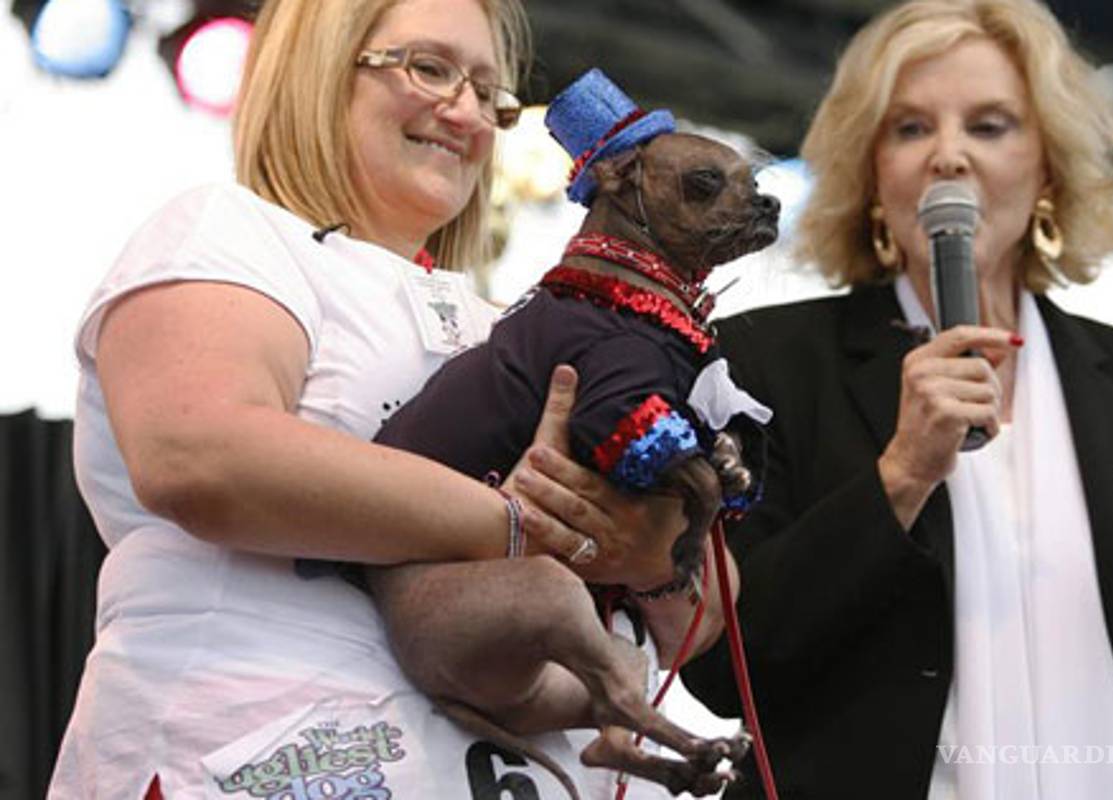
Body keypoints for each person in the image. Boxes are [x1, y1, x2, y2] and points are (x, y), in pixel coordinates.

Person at [49, 0, 729, 797]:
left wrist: (648, 554)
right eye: (429, 69)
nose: (466, 113)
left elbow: (703, 614)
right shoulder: (230, 230)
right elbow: (200, 457)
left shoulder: (520, 324)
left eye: (489, 94)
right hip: (258, 756)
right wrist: (522, 526)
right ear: (315, 72)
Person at [682, 0, 1113, 798]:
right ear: (871, 172)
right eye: (911, 128)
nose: (948, 155)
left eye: (989, 126)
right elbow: (722, 667)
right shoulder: (761, 367)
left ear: (1049, 168)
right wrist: (901, 476)